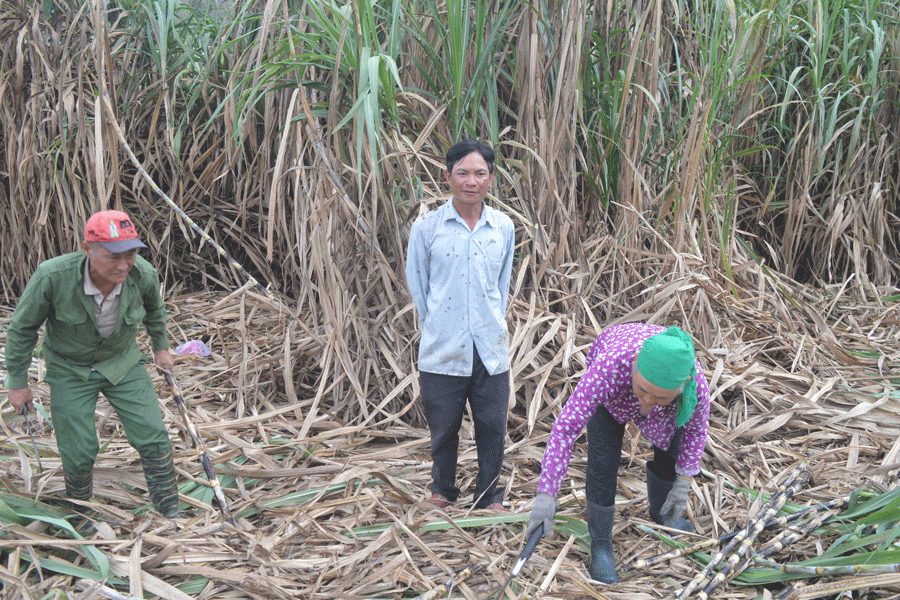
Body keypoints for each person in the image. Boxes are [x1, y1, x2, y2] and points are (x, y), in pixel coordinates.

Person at [5, 210, 180, 517]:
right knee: (79, 451)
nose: (124, 265)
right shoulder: (52, 277)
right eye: (114, 257)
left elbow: (155, 310)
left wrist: (161, 347)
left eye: (131, 255)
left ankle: (169, 512)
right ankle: (81, 516)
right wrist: (18, 382)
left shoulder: (144, 275)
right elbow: (22, 328)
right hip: (70, 368)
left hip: (122, 363)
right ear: (87, 250)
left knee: (153, 435)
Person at [526, 323, 710, 583]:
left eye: (660, 397)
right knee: (603, 464)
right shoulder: (608, 368)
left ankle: (664, 513)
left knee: (672, 448)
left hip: (660, 396)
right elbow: (565, 429)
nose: (646, 402)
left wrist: (683, 485)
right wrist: (547, 493)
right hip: (612, 397)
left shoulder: (694, 388)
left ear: (684, 384)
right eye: (643, 390)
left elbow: (695, 432)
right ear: (635, 362)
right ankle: (601, 545)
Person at [405, 139, 516, 511]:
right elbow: (420, 289)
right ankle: (442, 491)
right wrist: (442, 324)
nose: (472, 181)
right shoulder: (427, 228)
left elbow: (501, 286)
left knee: (492, 428)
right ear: (448, 176)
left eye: (480, 173)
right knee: (444, 427)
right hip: (443, 346)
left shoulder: (503, 227)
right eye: (463, 173)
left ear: (491, 178)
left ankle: (488, 498)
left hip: (490, 346)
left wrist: (488, 322)